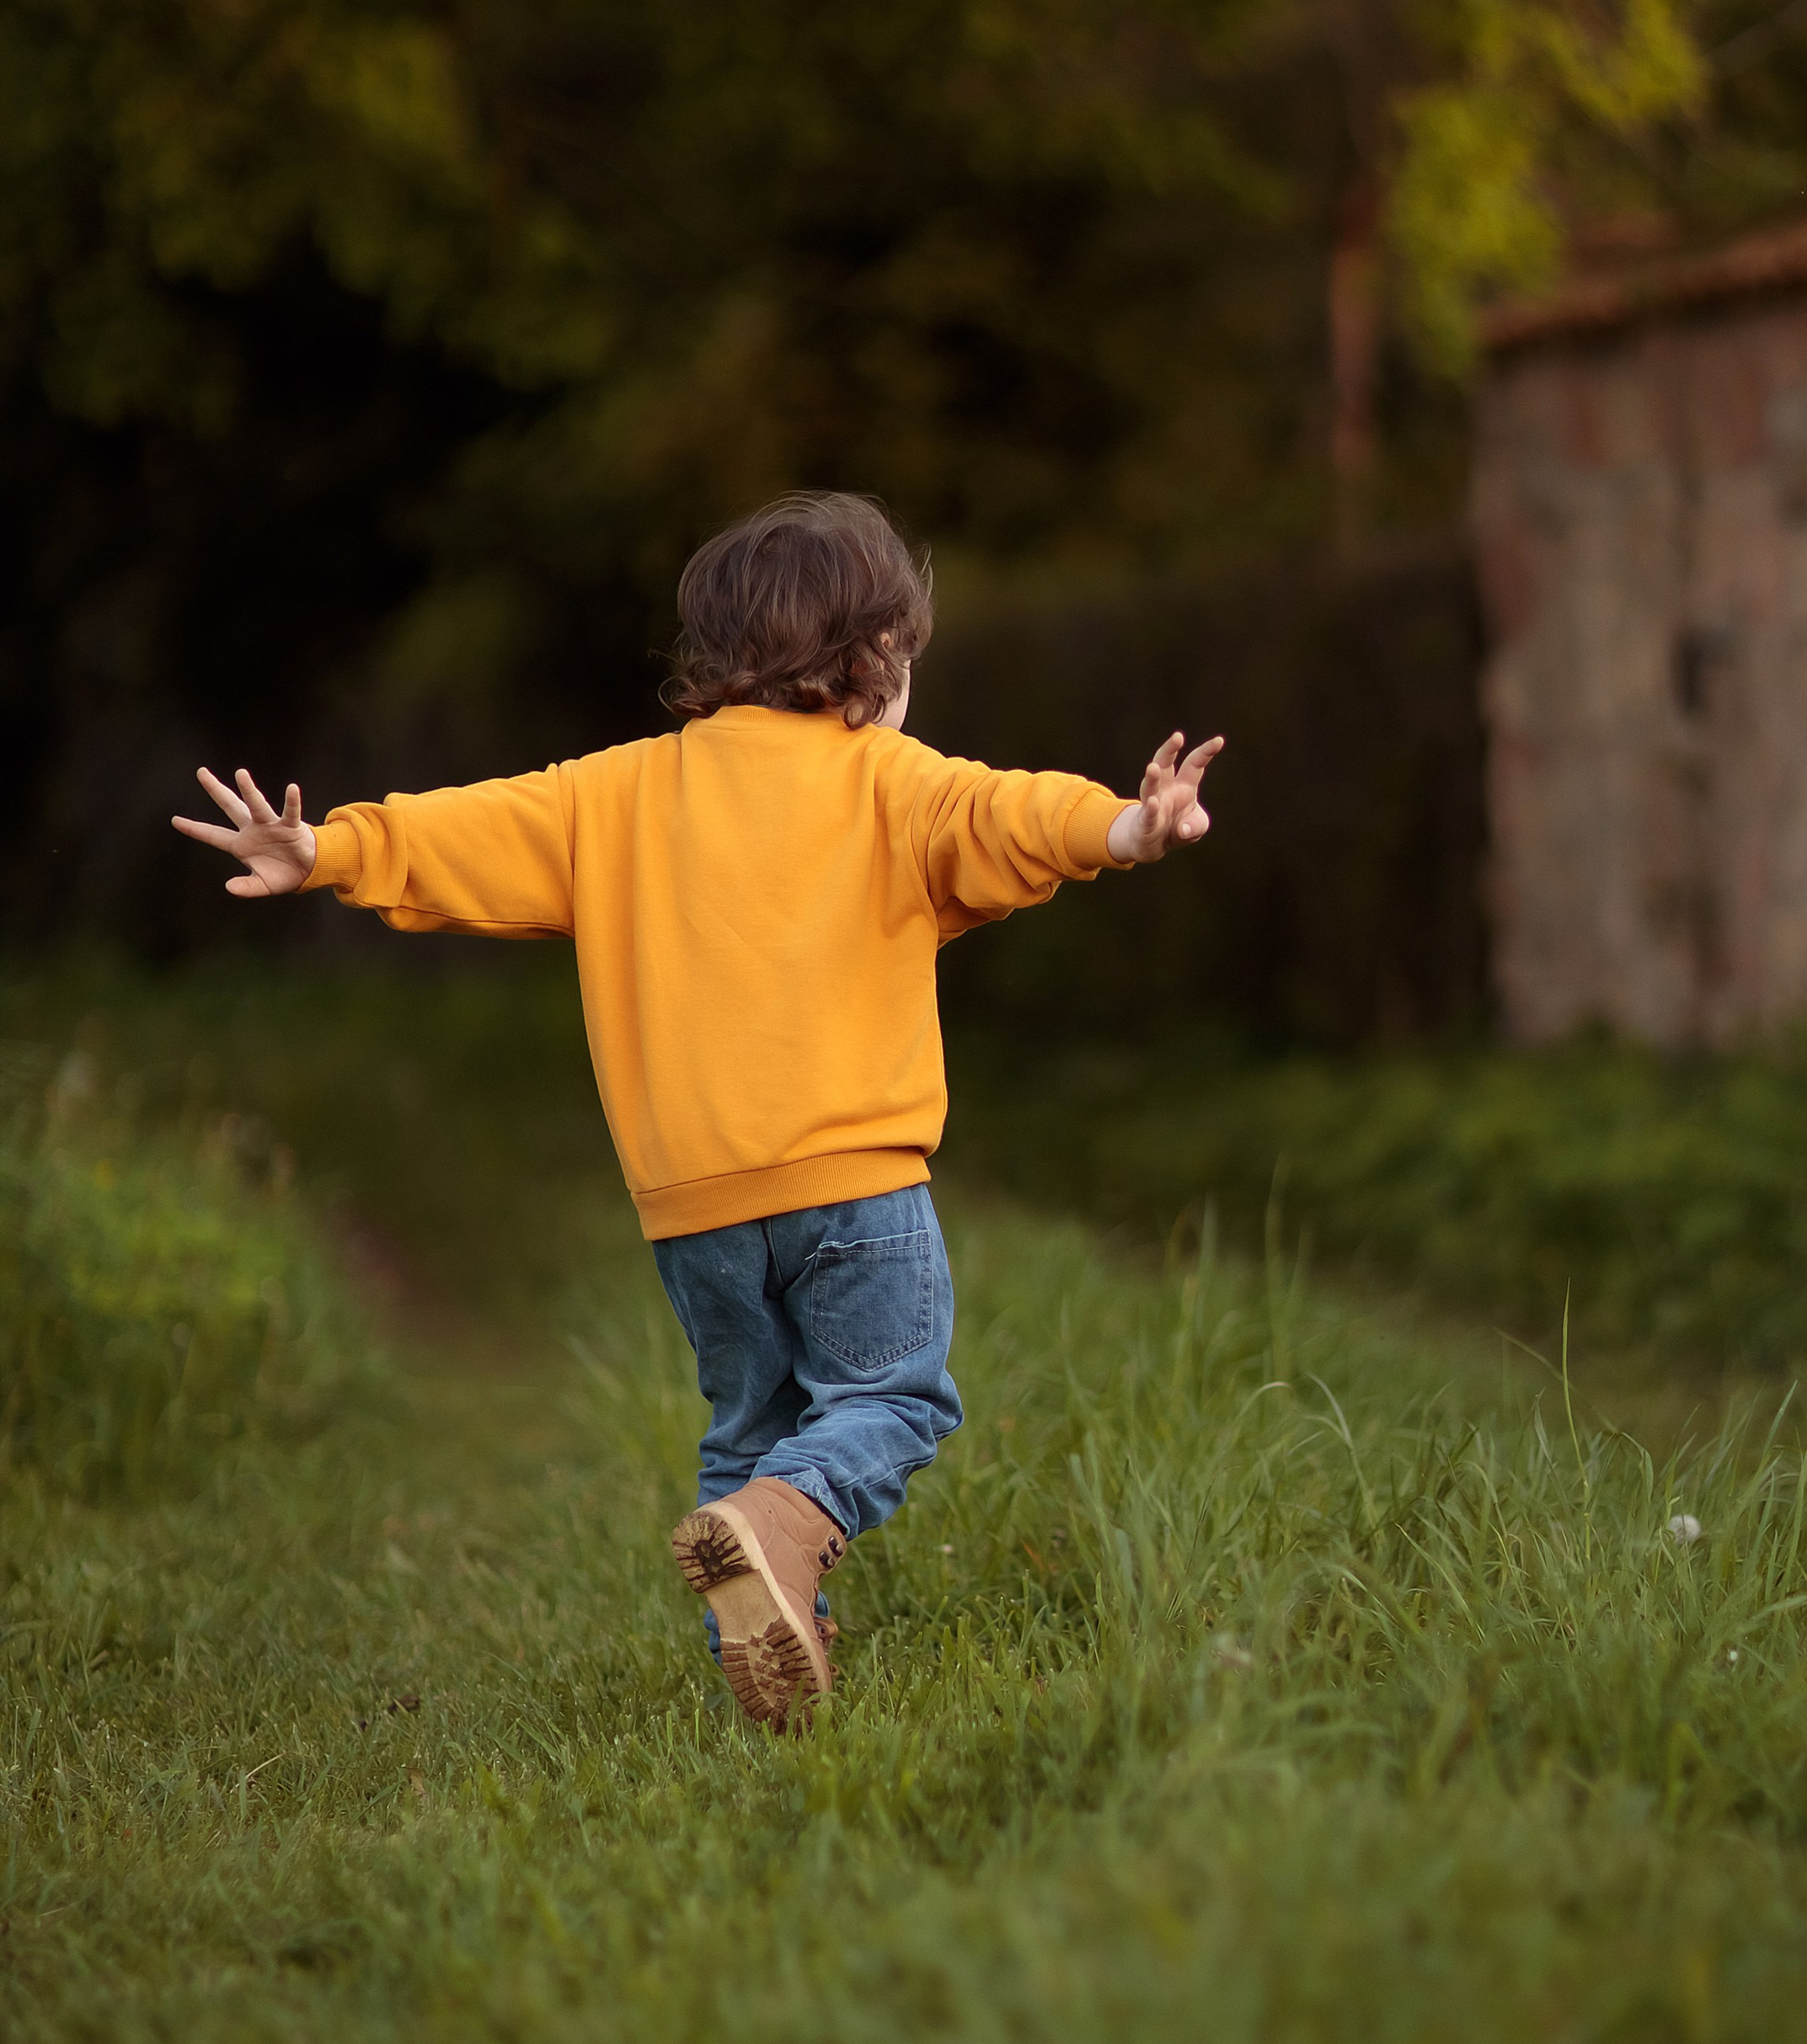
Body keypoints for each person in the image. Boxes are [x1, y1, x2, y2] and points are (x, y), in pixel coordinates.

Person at [174, 491, 1222, 1734]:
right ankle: (783, 1530)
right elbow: (1012, 814)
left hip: (696, 1212)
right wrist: (1127, 826)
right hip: (855, 1186)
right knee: (895, 1399)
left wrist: (331, 850)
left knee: (752, 1432)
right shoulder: (890, 780)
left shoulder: (616, 795)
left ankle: (780, 1668)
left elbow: (469, 830)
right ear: (875, 662)